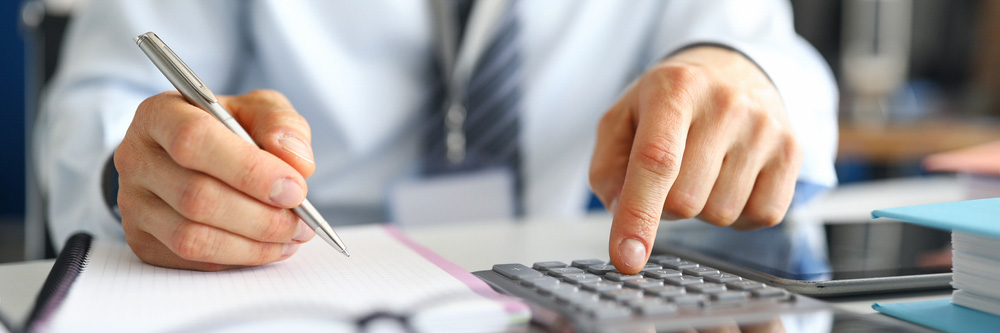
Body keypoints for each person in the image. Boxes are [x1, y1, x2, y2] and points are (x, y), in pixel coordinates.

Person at [37, 0, 838, 274]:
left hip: (577, 270)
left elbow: (775, 62)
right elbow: (102, 97)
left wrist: (737, 74)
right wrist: (137, 175)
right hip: (297, 271)